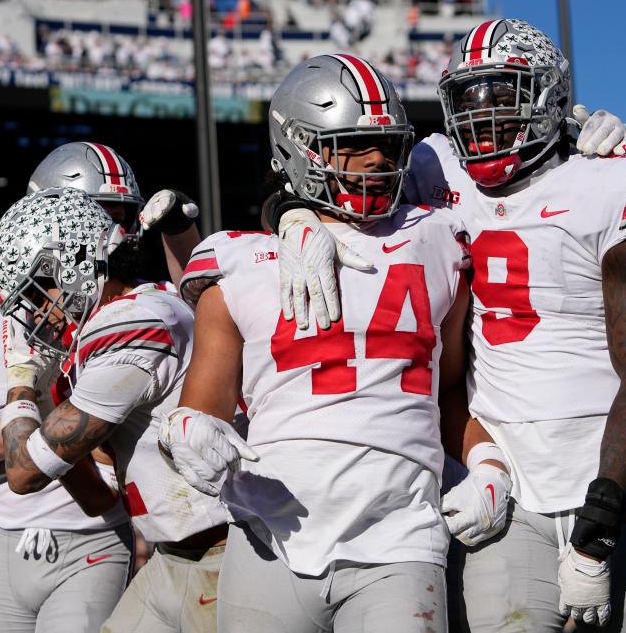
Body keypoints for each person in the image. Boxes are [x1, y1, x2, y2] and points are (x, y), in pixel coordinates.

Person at [264, 19, 626, 632]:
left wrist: (603, 516)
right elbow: (335, 179)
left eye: (503, 97)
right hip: (506, 485)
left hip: (615, 480)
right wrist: (289, 211)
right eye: (467, 99)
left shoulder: (615, 181)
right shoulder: (436, 167)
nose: (482, 119)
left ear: (547, 98)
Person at [162, 54, 476, 633]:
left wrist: (486, 464)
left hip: (399, 536)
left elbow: (451, 387)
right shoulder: (236, 259)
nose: (378, 159)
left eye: (384, 143)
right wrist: (187, 434)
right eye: (354, 144)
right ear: (298, 147)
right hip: (268, 535)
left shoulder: (435, 236)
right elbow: (199, 409)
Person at [0, 141, 201, 633]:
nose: (111, 238)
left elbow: (207, 328)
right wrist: (54, 435)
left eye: (122, 220)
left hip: (93, 534)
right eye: (92, 217)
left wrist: (38, 424)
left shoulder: (128, 307)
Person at [0, 187, 227, 633]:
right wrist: (44, 397)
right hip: (173, 558)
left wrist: (20, 383)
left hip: (223, 556)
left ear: (76, 264)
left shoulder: (132, 324)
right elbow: (99, 497)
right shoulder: (128, 316)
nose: (41, 311)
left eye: (42, 291)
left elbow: (23, 474)